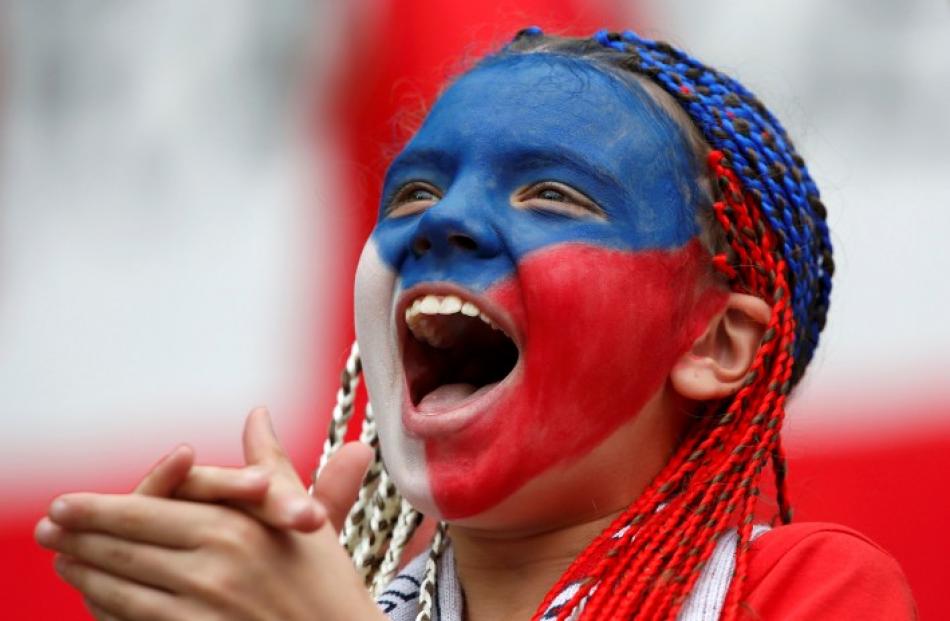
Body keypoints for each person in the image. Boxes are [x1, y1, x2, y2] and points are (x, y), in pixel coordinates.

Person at [35, 29, 917, 620]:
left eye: (551, 194)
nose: (438, 223)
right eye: (414, 191)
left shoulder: (807, 589)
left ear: (713, 342)